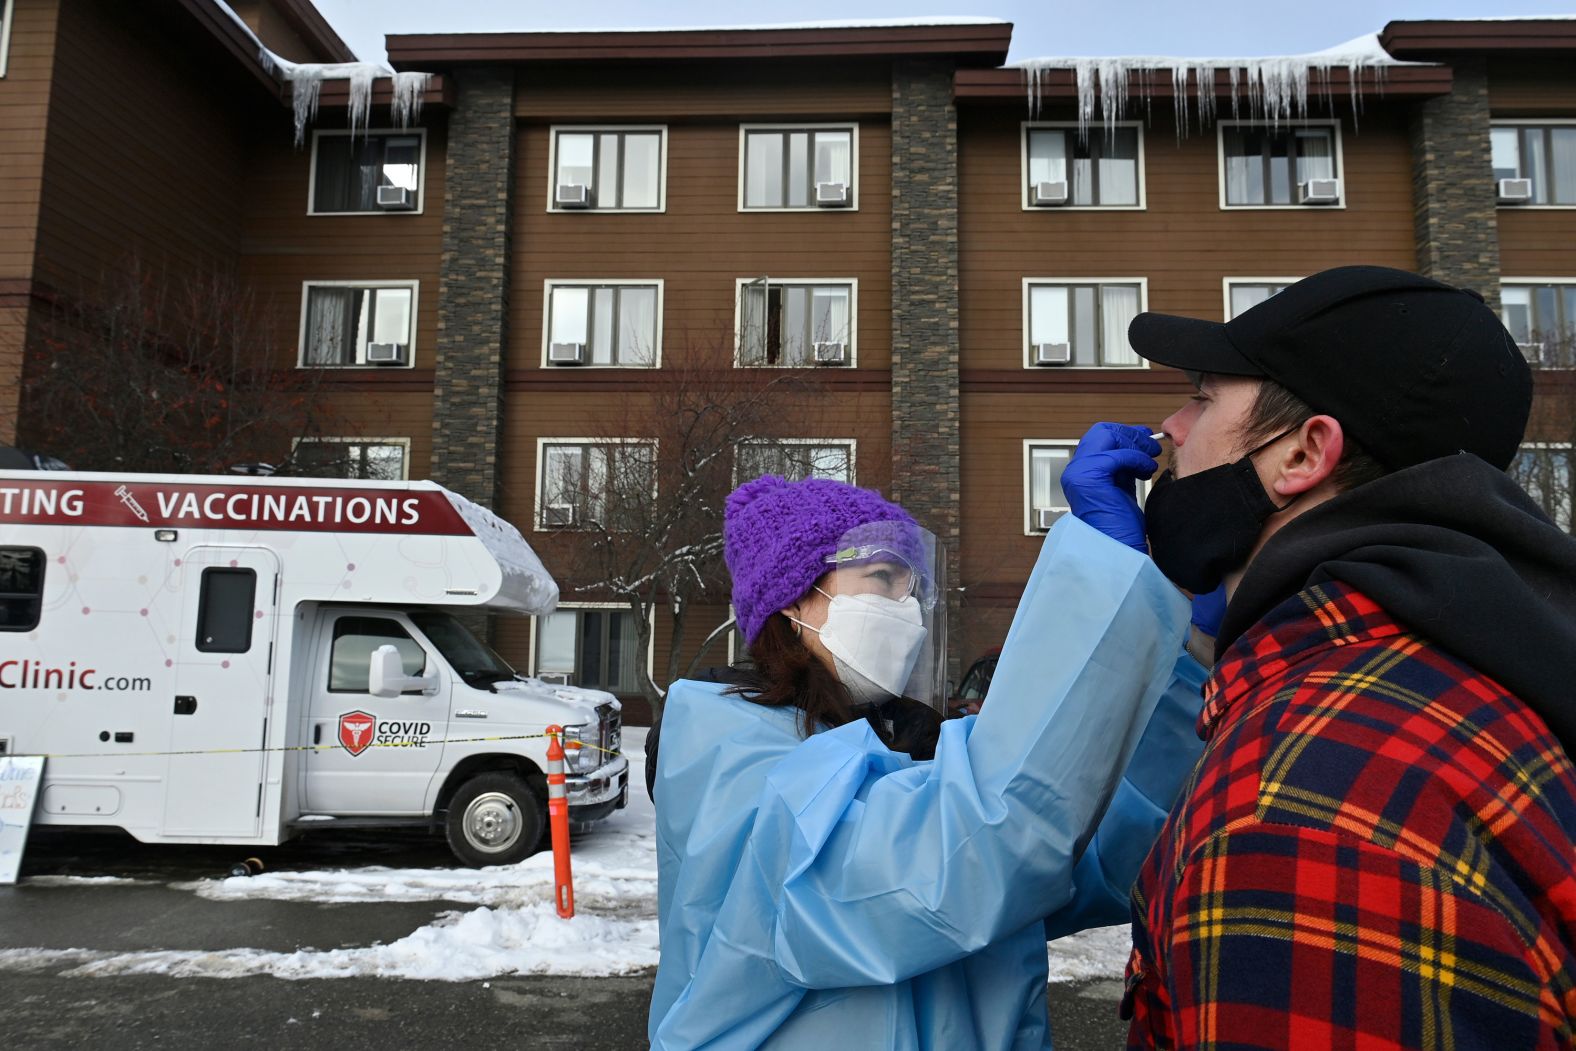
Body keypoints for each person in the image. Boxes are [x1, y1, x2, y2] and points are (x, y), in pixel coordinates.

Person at [1111, 265, 1576, 1048]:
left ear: (1302, 454)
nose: (1171, 428)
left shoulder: (1298, 804)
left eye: (1202, 395)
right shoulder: (1476, 667)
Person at [649, 473, 1212, 1049]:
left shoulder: (903, 750)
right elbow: (962, 863)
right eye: (884, 578)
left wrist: (1173, 657)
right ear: (795, 597)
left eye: (915, 587)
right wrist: (1101, 586)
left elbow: (1095, 852)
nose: (909, 608)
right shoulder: (728, 750)